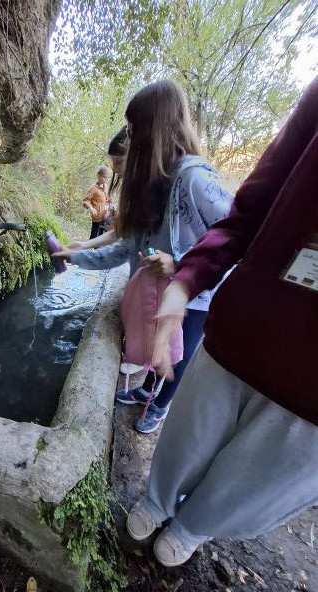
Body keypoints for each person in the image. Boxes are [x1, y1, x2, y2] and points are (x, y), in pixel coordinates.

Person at [126, 76, 318, 568]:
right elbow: (244, 215)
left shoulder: (195, 178)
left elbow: (216, 217)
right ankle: (158, 500)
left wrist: (183, 274)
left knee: (255, 479)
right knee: (190, 433)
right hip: (243, 326)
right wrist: (184, 280)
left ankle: (192, 527)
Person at [58, 80, 233, 433]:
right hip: (161, 289)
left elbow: (238, 238)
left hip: (198, 295)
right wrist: (74, 258)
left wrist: (180, 266)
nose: (128, 135)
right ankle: (145, 392)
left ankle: (161, 405)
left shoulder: (195, 179)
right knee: (159, 346)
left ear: (155, 129)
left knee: (177, 354)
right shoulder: (151, 186)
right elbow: (126, 249)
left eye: (133, 127)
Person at [83, 165, 110, 239]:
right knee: (94, 236)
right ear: (99, 176)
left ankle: (96, 247)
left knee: (100, 237)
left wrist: (109, 200)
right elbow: (85, 201)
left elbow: (107, 198)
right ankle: (89, 246)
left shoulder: (106, 187)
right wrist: (91, 208)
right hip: (97, 217)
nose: (105, 179)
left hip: (104, 216)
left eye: (106, 177)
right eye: (104, 177)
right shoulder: (93, 188)